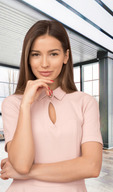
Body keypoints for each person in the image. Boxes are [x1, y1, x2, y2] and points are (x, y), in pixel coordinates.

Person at [0, 20, 103, 192]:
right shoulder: (13, 104)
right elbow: (21, 164)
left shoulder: (86, 102)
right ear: (27, 58)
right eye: (36, 54)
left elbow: (91, 166)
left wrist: (27, 173)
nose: (44, 63)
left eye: (53, 54)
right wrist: (26, 105)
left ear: (66, 56)